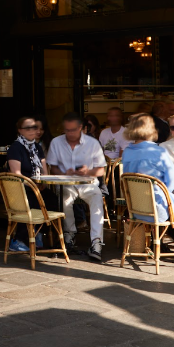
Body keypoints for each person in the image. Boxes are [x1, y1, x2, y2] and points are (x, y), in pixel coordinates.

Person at [121, 114, 174, 254]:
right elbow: (172, 180)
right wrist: (164, 191)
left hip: (135, 207)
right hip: (156, 208)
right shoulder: (158, 151)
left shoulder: (127, 152)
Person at [44, 112, 105, 261]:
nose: (69, 133)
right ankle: (69, 234)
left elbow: (101, 170)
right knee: (64, 198)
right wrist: (65, 172)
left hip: (88, 182)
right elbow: (53, 168)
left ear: (81, 128)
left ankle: (96, 242)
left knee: (97, 198)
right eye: (67, 130)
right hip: (67, 183)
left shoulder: (92, 143)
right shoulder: (57, 142)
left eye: (73, 130)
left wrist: (88, 171)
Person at [7, 117, 49, 252]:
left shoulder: (37, 147)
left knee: (53, 199)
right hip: (21, 188)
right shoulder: (15, 148)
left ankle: (37, 232)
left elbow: (44, 171)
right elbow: (17, 175)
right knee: (30, 201)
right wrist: (33, 185)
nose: (33, 130)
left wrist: (43, 182)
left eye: (35, 127)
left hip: (36, 186)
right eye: (28, 128)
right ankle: (18, 239)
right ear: (20, 131)